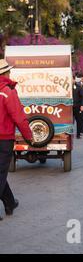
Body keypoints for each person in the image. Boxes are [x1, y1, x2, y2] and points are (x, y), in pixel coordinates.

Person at [0, 59, 33, 218]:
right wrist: (29, 137)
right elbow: (18, 117)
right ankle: (9, 204)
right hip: (4, 139)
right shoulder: (7, 91)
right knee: (1, 172)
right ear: (5, 73)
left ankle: (10, 203)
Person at [73, 74, 83, 139]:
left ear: (74, 79)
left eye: (72, 79)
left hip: (78, 106)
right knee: (70, 121)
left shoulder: (78, 87)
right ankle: (70, 134)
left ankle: (78, 134)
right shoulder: (66, 87)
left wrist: (82, 105)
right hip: (69, 107)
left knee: (79, 121)